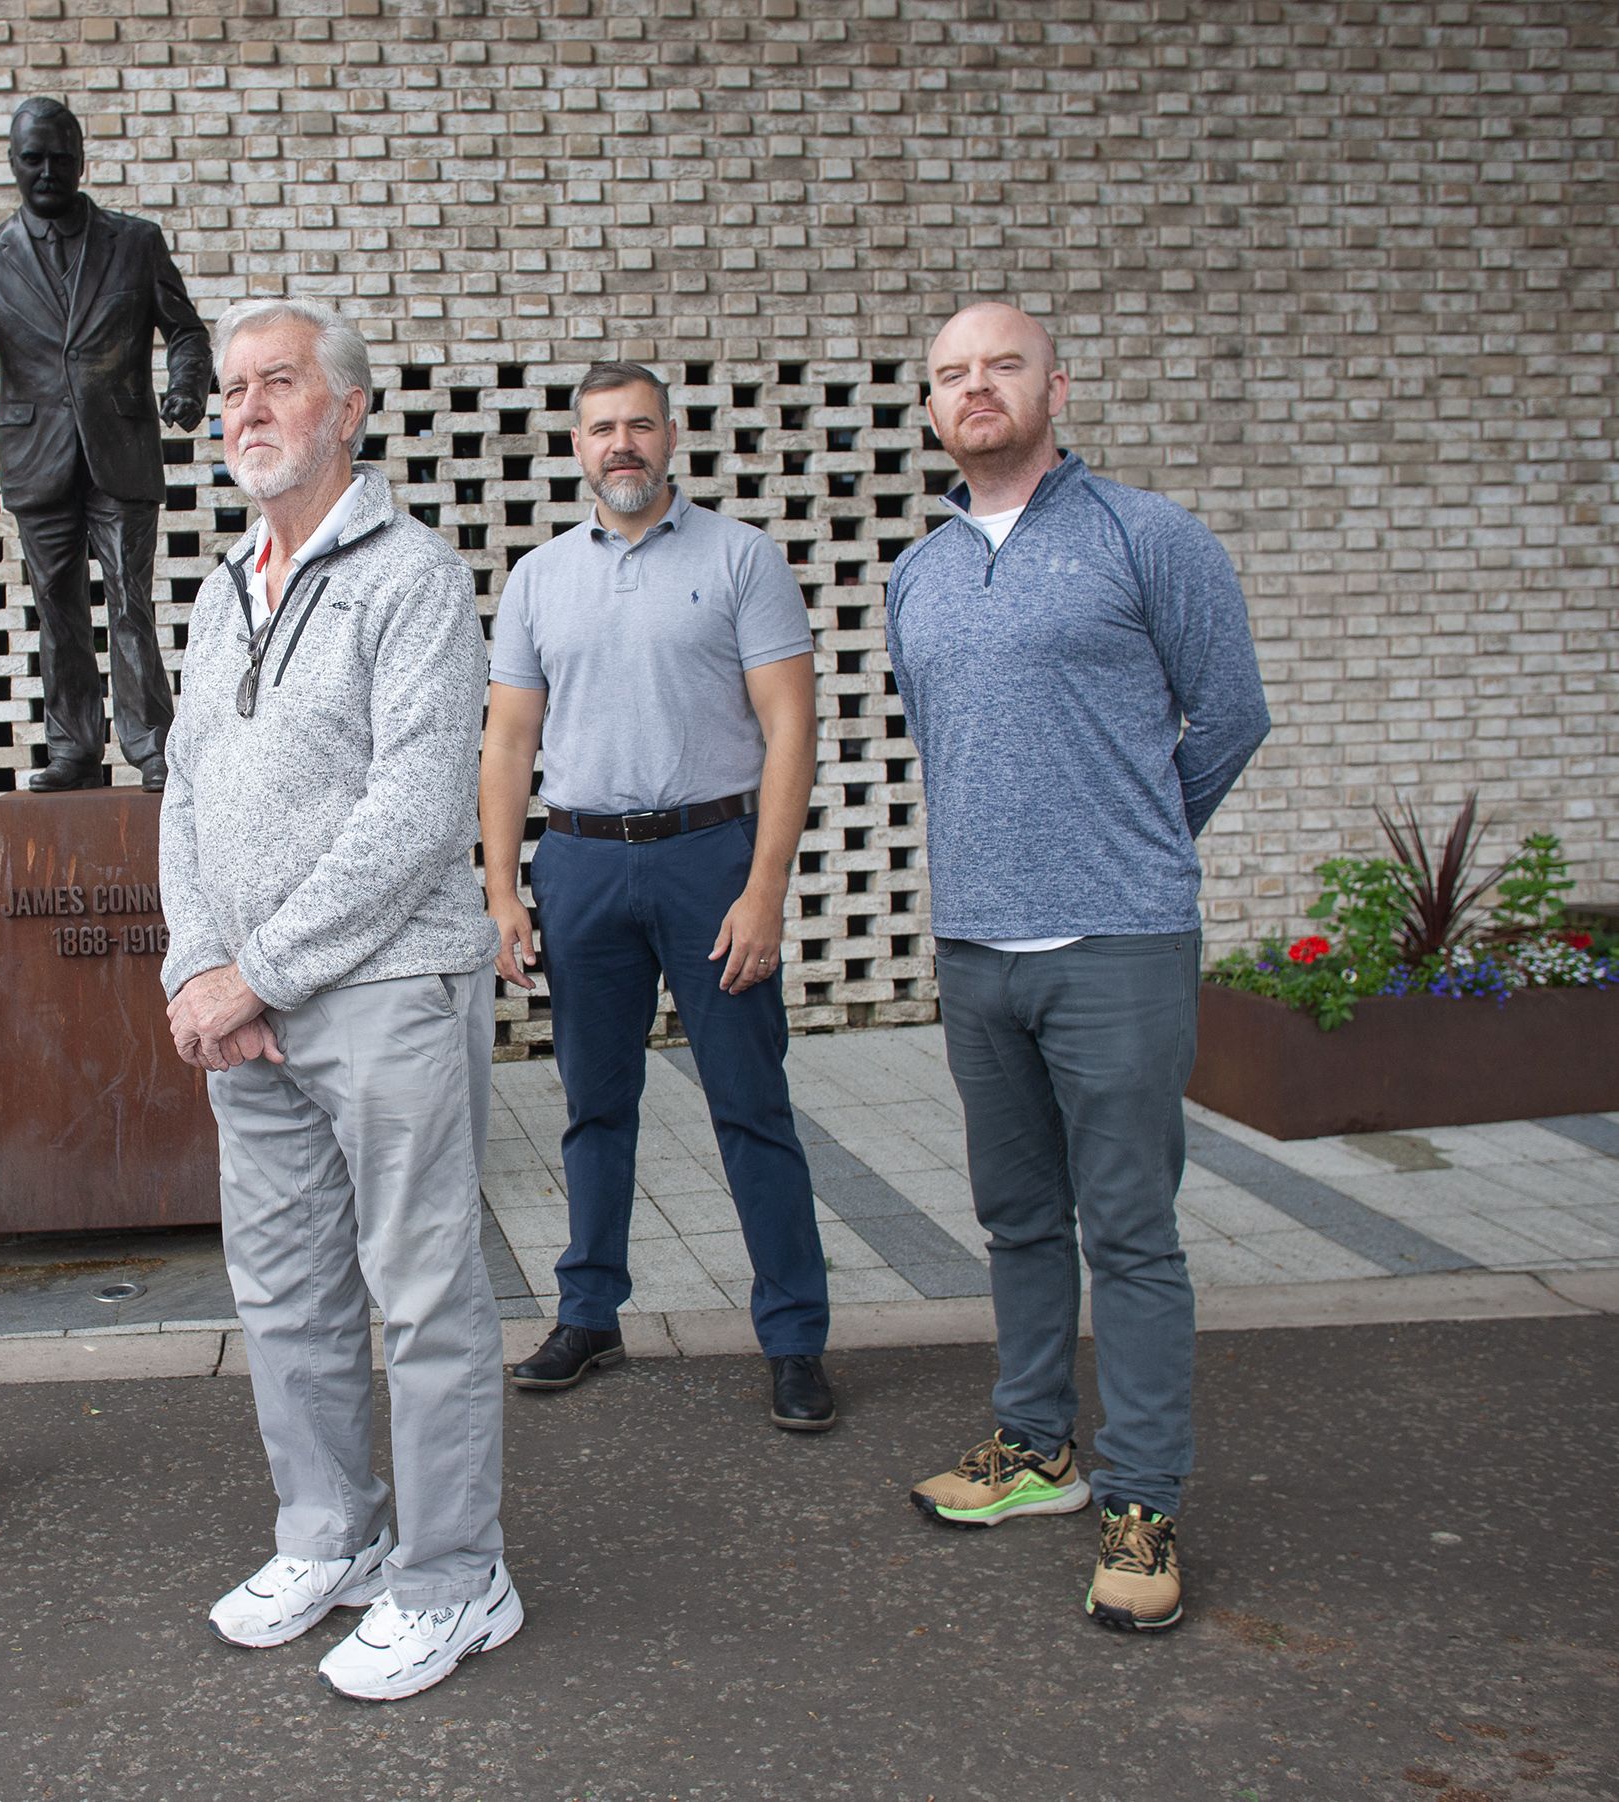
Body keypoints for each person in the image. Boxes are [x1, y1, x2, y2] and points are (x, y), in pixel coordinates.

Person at [886, 302, 1269, 1632]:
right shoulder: (920, 569)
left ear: (1058, 383)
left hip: (1117, 944)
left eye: (1002, 365)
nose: (975, 387)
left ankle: (1144, 1498)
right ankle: (1037, 1448)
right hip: (978, 951)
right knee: (1018, 1218)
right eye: (951, 373)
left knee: (1134, 1236)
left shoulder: (1147, 536)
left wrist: (1142, 843)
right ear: (932, 406)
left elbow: (1230, 712)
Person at [159, 297, 517, 1703]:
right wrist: (202, 968)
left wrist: (262, 968)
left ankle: (454, 1574)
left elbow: (418, 811)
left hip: (383, 991)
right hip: (249, 1010)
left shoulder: (414, 576)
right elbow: (186, 787)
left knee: (422, 1292)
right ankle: (332, 1534)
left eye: (278, 383)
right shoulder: (219, 586)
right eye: (231, 391)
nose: (243, 408)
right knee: (287, 1289)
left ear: (349, 408)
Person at [480, 361, 839, 1429]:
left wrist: (765, 884)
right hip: (581, 863)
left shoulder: (742, 558)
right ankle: (589, 1310)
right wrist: (501, 887)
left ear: (670, 436)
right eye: (601, 429)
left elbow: (791, 729)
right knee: (594, 1104)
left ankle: (795, 1335)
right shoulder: (540, 577)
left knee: (751, 1103)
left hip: (709, 856)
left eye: (638, 424)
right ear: (578, 447)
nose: (620, 444)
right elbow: (507, 739)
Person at [0, 95, 211, 792]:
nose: (47, 170)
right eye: (32, 158)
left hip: (120, 451)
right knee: (56, 608)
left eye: (60, 156)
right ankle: (74, 748)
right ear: (12, 163)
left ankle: (152, 745)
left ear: (81, 161)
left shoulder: (134, 241)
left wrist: (186, 389)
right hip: (38, 457)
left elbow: (185, 330)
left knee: (130, 601)